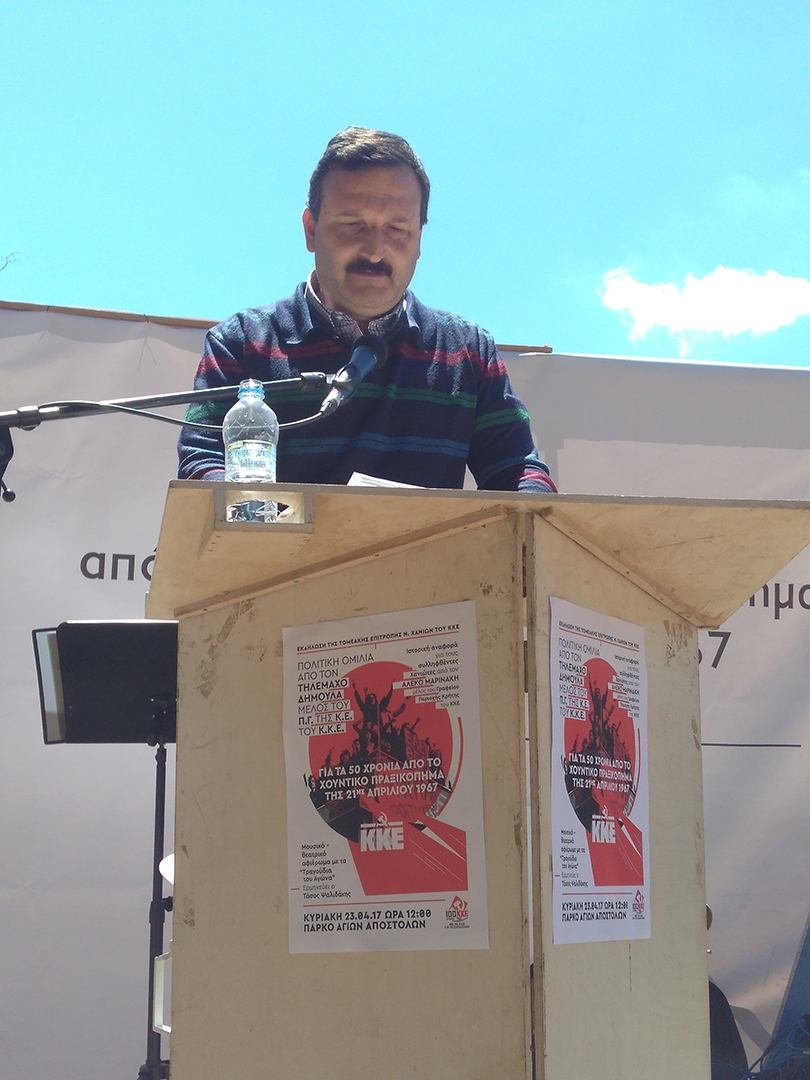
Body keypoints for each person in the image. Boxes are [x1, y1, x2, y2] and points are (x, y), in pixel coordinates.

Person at [177, 127, 557, 493]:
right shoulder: (240, 344)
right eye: (351, 224)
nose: (375, 251)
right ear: (311, 230)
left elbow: (519, 472)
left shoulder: (468, 352)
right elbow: (201, 467)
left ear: (420, 240)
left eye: (397, 230)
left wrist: (534, 503)